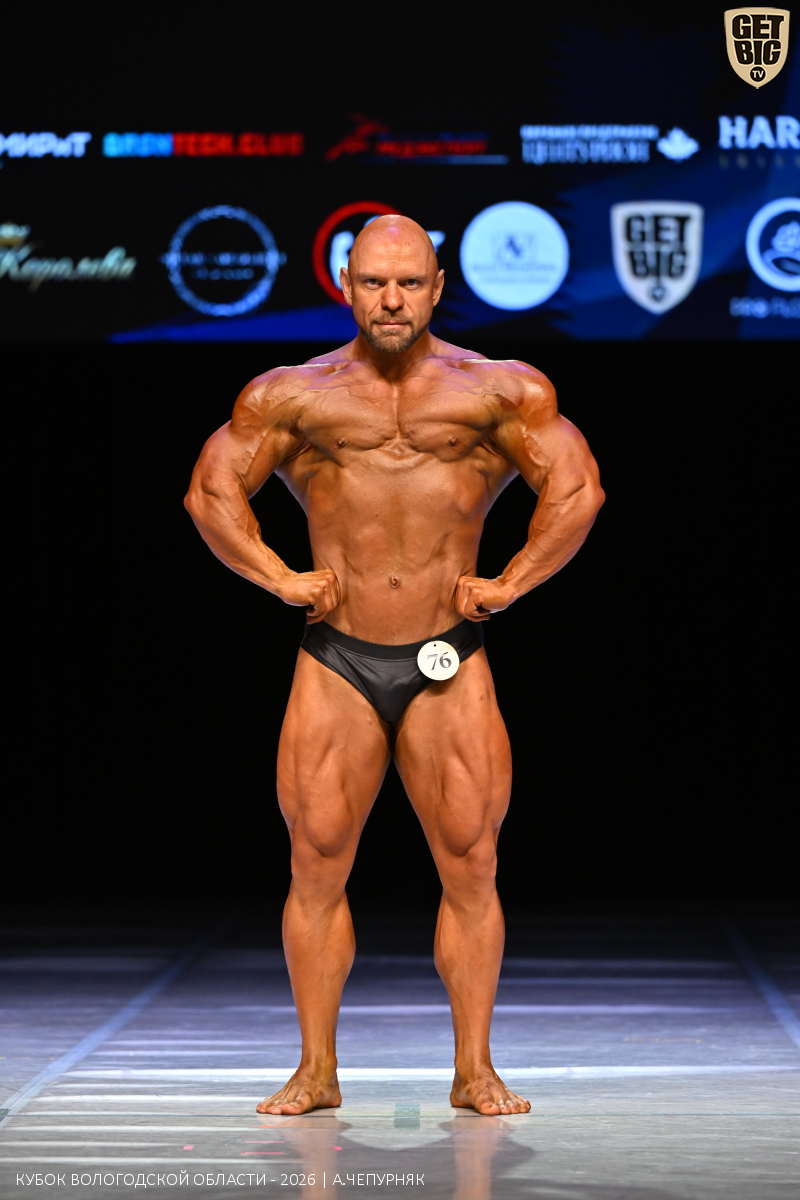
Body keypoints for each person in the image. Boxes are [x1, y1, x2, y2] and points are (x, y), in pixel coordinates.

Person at [185, 215, 604, 1116]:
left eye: (409, 283)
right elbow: (211, 490)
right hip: (336, 657)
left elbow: (577, 488)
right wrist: (278, 577)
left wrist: (513, 582)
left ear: (438, 287)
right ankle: (315, 1070)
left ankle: (475, 1069)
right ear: (346, 284)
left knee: (473, 863)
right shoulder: (294, 395)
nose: (391, 300)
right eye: (374, 282)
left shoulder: (497, 390)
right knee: (314, 863)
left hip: (450, 657)